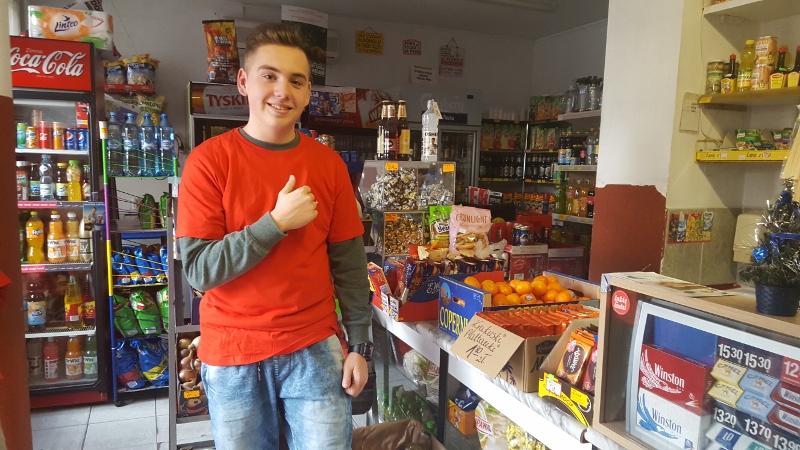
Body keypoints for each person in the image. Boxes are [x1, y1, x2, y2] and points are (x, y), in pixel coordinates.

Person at [176, 23, 372, 450]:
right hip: (232, 352)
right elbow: (200, 271)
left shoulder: (329, 166)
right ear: (244, 82)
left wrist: (360, 345)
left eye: (296, 81)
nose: (283, 91)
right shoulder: (208, 162)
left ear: (307, 92)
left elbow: (350, 264)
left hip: (314, 347)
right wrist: (275, 224)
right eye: (269, 76)